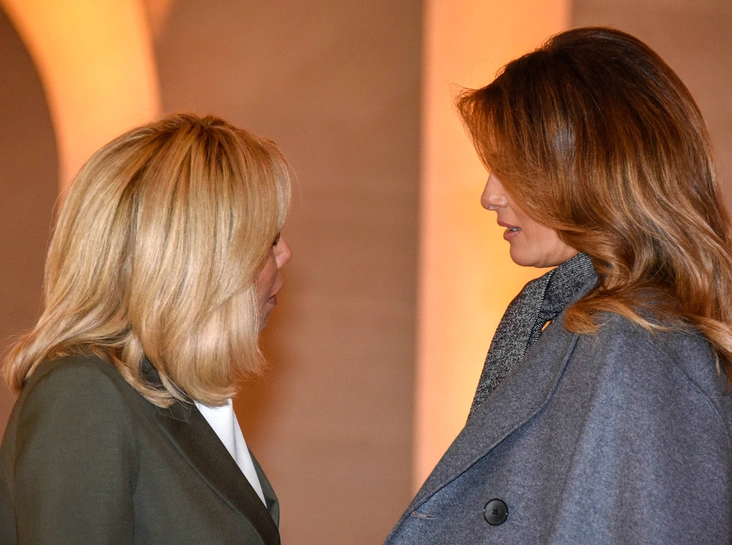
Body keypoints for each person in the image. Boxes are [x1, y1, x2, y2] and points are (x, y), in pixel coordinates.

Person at [385, 27, 732, 545]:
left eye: (512, 170)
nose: (489, 196)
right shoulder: (592, 325)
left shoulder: (636, 347)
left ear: (588, 172)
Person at [0, 113, 292, 544]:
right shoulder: (84, 395)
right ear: (203, 257)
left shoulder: (180, 398)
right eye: (269, 239)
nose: (285, 253)